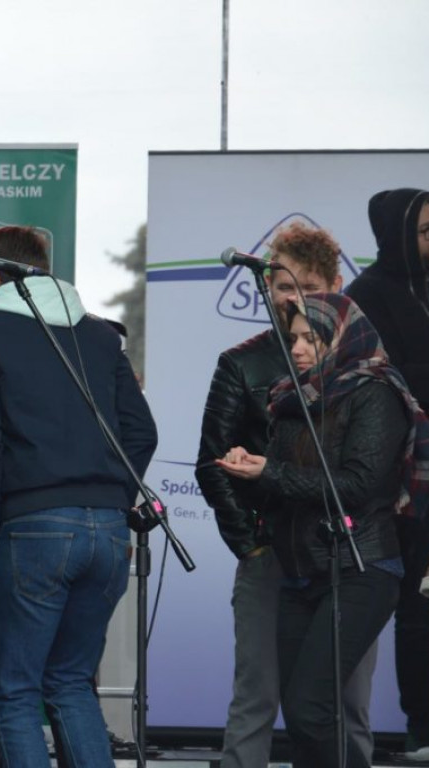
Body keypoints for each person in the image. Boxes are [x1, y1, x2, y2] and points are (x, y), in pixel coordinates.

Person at [0, 225, 157, 767]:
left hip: (34, 525)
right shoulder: (98, 335)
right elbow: (142, 433)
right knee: (70, 683)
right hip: (111, 534)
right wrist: (112, 493)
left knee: (16, 694)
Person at [217, 292, 429, 768]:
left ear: (344, 338)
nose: (296, 349)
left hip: (360, 567)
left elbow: (356, 485)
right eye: (292, 338)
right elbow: (286, 485)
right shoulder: (291, 399)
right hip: (299, 572)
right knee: (302, 713)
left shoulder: (375, 392)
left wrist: (267, 471)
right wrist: (247, 468)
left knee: (312, 710)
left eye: (311, 338)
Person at [195, 222, 377, 768]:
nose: (291, 298)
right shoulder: (243, 361)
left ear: (336, 283)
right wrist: (251, 544)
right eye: (280, 286)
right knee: (257, 697)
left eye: (306, 285)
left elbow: (372, 470)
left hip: (344, 555)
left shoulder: (365, 364)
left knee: (346, 703)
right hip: (271, 550)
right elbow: (213, 463)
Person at [346, 187, 429, 759]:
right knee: (419, 604)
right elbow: (374, 386)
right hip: (406, 480)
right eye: (424, 232)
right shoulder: (366, 297)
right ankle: (424, 728)